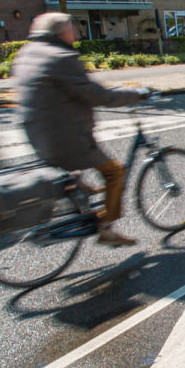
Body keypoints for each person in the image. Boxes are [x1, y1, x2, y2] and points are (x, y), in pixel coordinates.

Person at [13, 13, 150, 247]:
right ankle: (106, 227)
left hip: (37, 134)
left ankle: (76, 191)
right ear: (61, 32)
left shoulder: (26, 54)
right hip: (66, 138)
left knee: (76, 178)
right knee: (115, 173)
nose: (76, 34)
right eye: (72, 29)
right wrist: (136, 95)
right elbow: (96, 95)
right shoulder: (61, 57)